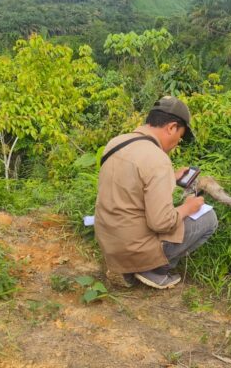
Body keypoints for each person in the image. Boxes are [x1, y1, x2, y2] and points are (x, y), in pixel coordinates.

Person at [94, 96, 219, 290]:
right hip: (134, 247)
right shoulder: (157, 159)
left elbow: (132, 184)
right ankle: (153, 268)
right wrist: (188, 207)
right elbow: (161, 222)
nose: (177, 142)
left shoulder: (116, 142)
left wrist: (170, 177)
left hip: (109, 240)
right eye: (180, 136)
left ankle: (124, 267)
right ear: (171, 127)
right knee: (208, 218)